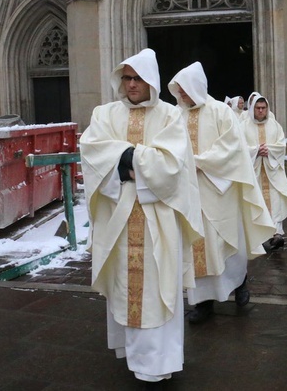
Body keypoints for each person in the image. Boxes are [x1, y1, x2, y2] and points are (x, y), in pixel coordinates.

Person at [79, 49, 204, 383]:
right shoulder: (104, 114)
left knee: (158, 286)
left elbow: (170, 166)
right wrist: (135, 159)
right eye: (127, 78)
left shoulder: (169, 116)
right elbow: (92, 152)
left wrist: (123, 157)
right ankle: (133, 355)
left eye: (138, 79)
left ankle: (158, 364)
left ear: (152, 82)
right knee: (124, 286)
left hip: (158, 219)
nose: (131, 85)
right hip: (119, 217)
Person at [169, 63, 275, 324]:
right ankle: (202, 303)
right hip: (189, 194)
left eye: (183, 90)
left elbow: (232, 148)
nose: (180, 95)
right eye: (178, 90)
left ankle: (240, 283)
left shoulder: (220, 112)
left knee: (227, 242)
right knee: (194, 245)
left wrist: (200, 161)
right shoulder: (175, 115)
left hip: (219, 190)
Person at [241, 95, 287, 251]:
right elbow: (239, 147)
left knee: (275, 203)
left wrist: (269, 150)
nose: (260, 111)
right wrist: (256, 150)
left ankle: (277, 234)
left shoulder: (275, 125)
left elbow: (281, 145)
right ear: (252, 109)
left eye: (263, 108)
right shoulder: (243, 126)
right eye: (257, 108)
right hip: (255, 172)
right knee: (256, 202)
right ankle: (259, 234)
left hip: (272, 173)